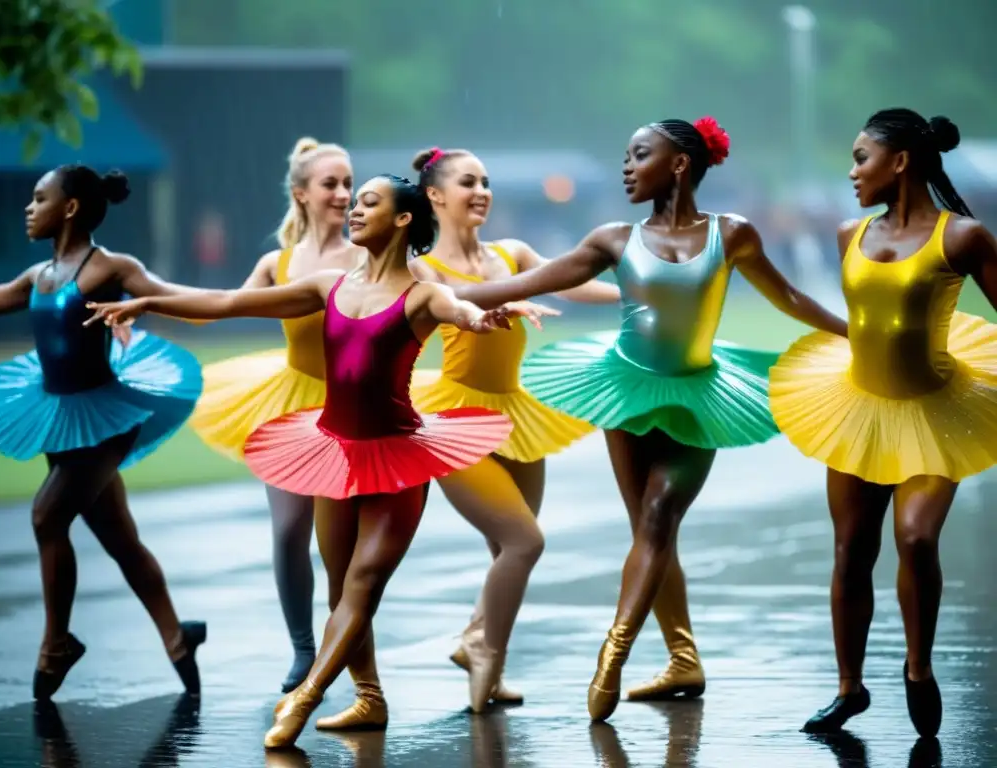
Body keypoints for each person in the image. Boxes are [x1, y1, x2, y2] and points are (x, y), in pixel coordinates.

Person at [83, 173, 554, 749]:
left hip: (399, 458)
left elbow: (459, 309)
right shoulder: (328, 285)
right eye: (354, 202)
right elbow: (230, 303)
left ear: (403, 220)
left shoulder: (422, 294)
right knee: (338, 591)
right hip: (333, 451)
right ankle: (369, 698)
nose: (354, 211)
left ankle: (302, 699)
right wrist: (154, 300)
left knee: (362, 583)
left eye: (369, 203)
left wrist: (481, 319)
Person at [445, 117, 847, 722]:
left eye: (639, 155)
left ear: (680, 163)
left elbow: (788, 297)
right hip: (626, 392)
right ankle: (683, 658)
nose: (627, 167)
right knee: (649, 533)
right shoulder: (613, 238)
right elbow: (530, 281)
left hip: (697, 395)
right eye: (626, 157)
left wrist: (852, 332)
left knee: (658, 518)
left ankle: (613, 654)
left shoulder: (733, 235)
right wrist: (427, 300)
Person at [769, 108, 997, 738]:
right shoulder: (850, 234)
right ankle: (849, 688)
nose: (851, 171)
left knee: (917, 539)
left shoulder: (963, 237)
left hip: (936, 409)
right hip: (858, 407)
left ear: (899, 162)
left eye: (861, 157)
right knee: (850, 552)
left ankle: (918, 668)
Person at [0, 165, 207, 700]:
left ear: (70, 207)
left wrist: (237, 302)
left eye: (39, 198)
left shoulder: (110, 268)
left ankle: (57, 642)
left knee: (46, 514)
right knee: (119, 538)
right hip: (57, 416)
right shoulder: (39, 276)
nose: (29, 208)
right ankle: (177, 637)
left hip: (104, 420)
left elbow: (166, 294)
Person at [404, 146, 619, 711]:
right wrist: (514, 295)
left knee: (506, 546)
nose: (482, 191)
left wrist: (637, 295)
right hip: (453, 419)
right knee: (527, 542)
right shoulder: (421, 267)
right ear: (435, 195)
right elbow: (450, 301)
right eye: (468, 182)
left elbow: (569, 283)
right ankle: (483, 650)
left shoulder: (513, 252)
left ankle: (484, 649)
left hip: (516, 415)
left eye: (486, 181)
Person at [188, 138, 367, 698]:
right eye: (330, 184)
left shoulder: (369, 253)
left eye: (347, 183)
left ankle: (350, 648)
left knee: (344, 542)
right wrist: (145, 309)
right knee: (291, 530)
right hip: (289, 405)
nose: (343, 194)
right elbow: (222, 307)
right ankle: (302, 647)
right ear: (302, 194)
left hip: (351, 407)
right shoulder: (278, 263)